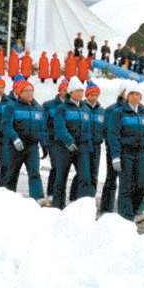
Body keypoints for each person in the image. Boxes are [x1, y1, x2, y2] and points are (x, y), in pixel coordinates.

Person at [108, 81, 144, 222]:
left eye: (137, 94)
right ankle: (126, 217)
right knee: (126, 186)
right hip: (125, 152)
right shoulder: (118, 113)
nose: (135, 97)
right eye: (132, 94)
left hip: (140, 153)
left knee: (143, 184)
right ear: (127, 96)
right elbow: (113, 135)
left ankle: (134, 210)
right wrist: (116, 156)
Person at [0, 77, 49, 202]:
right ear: (20, 93)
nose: (29, 93)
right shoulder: (12, 107)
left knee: (34, 173)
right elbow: (6, 125)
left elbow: (42, 128)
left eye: (31, 91)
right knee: (12, 173)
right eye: (26, 91)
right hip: (16, 147)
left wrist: (44, 145)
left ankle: (38, 198)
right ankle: (7, 198)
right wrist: (15, 138)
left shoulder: (38, 108)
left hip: (32, 147)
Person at [50, 77, 92, 209]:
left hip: (82, 148)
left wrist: (88, 144)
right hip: (64, 148)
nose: (80, 94)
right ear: (71, 93)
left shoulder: (85, 109)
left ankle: (80, 205)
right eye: (77, 91)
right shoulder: (62, 109)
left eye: (81, 91)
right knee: (61, 177)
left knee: (85, 177)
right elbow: (60, 127)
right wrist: (68, 141)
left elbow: (88, 128)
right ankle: (58, 206)